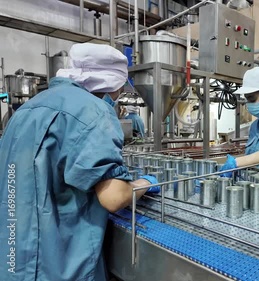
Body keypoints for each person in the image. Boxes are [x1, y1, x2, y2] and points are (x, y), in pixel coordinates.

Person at [0, 43, 159, 281]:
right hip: (57, 265)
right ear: (111, 83)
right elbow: (114, 198)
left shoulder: (26, 109)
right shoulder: (94, 112)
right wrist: (144, 183)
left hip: (13, 256)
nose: (118, 95)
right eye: (120, 88)